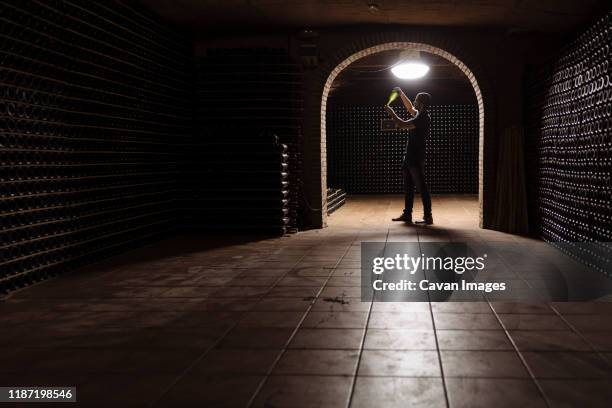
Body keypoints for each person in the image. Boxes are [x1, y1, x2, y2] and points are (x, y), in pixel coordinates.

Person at [385, 89, 433, 225]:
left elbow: (402, 124)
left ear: (421, 103)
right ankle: (407, 214)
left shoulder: (422, 118)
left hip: (416, 157)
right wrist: (401, 93)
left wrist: (391, 113)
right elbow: (409, 107)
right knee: (409, 187)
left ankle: (428, 216)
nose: (414, 101)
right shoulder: (420, 114)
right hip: (409, 157)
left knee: (421, 187)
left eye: (416, 100)